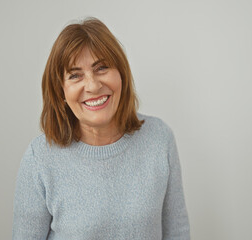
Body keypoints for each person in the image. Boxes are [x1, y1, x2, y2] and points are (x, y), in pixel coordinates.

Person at [12, 17, 190, 240]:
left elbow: (177, 233)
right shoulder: (39, 158)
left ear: (121, 75)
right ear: (61, 92)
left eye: (102, 68)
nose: (93, 86)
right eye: (75, 75)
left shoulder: (159, 139)